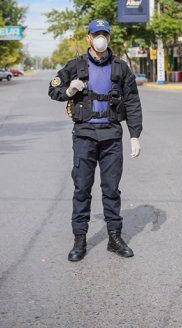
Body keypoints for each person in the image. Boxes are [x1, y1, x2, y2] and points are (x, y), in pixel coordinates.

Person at [48, 19, 143, 262]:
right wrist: (69, 91)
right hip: (85, 136)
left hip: (111, 135)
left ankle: (114, 237)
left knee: (111, 190)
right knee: (82, 189)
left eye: (105, 34)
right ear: (88, 38)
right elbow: (53, 89)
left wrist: (135, 135)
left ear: (109, 38)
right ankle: (79, 240)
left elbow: (132, 102)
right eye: (96, 34)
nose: (101, 38)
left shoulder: (120, 67)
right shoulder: (75, 65)